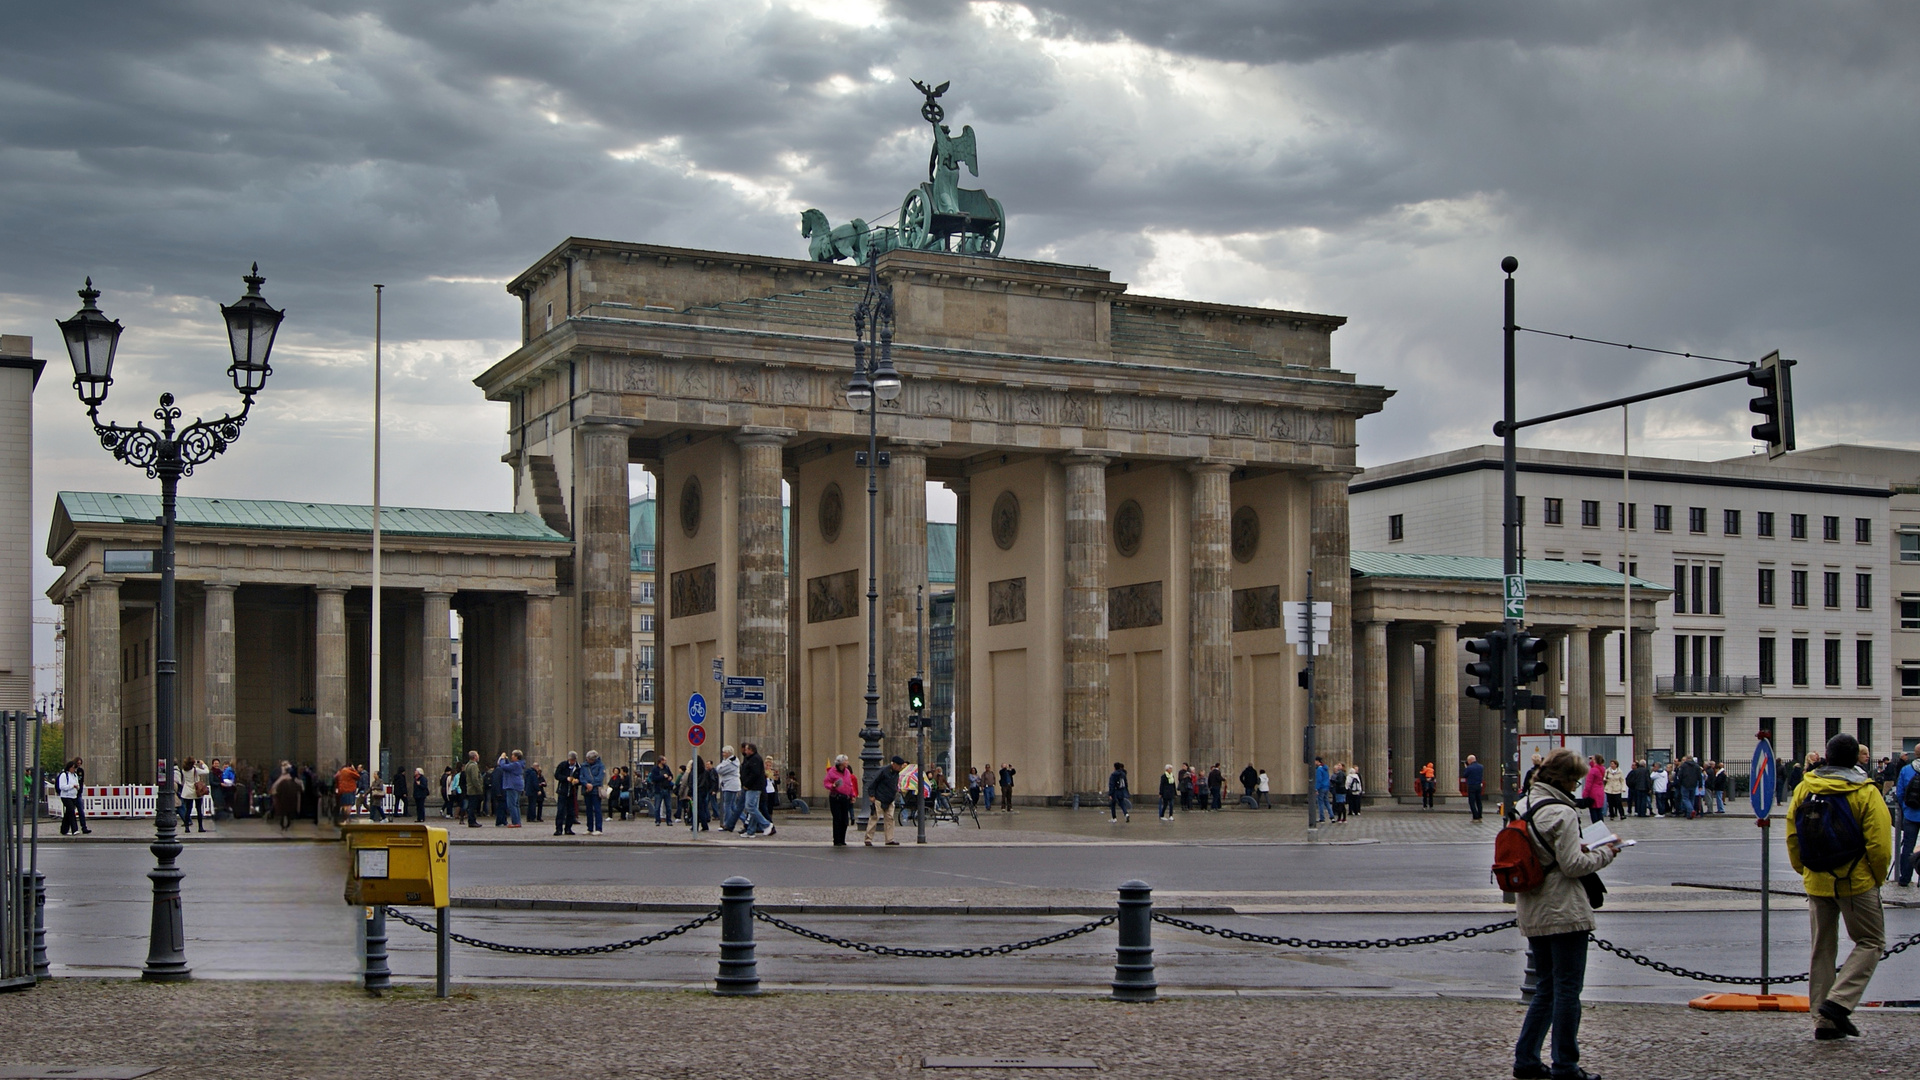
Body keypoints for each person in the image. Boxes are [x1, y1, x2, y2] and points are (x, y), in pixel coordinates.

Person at [1511, 749, 1623, 1080]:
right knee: (1567, 988)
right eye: (1574, 780)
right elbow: (1572, 865)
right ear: (1563, 779)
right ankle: (1565, 1064)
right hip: (1564, 910)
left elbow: (1550, 852)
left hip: (1533, 906)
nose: (1576, 787)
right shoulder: (1562, 811)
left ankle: (1527, 1059)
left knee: (1545, 986)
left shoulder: (1525, 804)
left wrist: (1577, 849)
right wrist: (1606, 853)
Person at [1787, 732, 1891, 1041]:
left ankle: (1823, 1020)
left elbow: (1793, 835)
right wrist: (1876, 877)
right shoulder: (1866, 791)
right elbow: (1880, 845)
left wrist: (1805, 870)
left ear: (1827, 758)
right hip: (1856, 880)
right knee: (1871, 941)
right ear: (1856, 758)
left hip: (1817, 879)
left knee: (1822, 949)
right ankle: (1839, 1001)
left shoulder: (1805, 787)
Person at [739, 743, 775, 837]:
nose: (745, 751)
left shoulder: (755, 759)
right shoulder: (751, 758)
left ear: (751, 750)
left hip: (754, 787)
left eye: (747, 749)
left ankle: (766, 824)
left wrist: (746, 784)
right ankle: (750, 831)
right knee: (752, 808)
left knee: (750, 806)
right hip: (752, 786)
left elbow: (754, 774)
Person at [867, 756, 904, 846]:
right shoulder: (884, 771)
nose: (901, 768)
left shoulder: (896, 773)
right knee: (874, 818)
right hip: (879, 798)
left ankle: (889, 839)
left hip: (890, 799)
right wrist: (871, 795)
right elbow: (874, 782)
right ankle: (868, 839)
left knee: (890, 819)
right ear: (894, 764)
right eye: (899, 766)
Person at [823, 755, 859, 846]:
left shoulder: (847, 771)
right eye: (846, 761)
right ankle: (837, 840)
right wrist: (832, 786)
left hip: (845, 798)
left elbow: (849, 785)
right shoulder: (832, 771)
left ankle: (842, 839)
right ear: (841, 763)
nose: (847, 762)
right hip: (835, 797)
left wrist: (852, 795)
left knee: (845, 819)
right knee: (837, 819)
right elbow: (826, 782)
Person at [717, 747, 744, 832]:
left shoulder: (731, 762)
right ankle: (745, 820)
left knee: (727, 805)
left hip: (730, 785)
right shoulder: (730, 761)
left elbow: (720, 770)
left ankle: (727, 823)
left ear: (728, 753)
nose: (723, 754)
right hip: (731, 785)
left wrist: (720, 768)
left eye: (724, 752)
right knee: (733, 806)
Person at [580, 750, 607, 834]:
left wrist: (591, 785)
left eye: (589, 759)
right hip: (587, 790)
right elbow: (581, 776)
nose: (587, 760)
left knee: (597, 809)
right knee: (588, 810)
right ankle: (589, 828)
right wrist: (586, 784)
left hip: (595, 790)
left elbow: (600, 777)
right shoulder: (584, 766)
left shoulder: (600, 765)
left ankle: (599, 829)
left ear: (593, 759)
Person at [553, 753, 579, 835]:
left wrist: (577, 781)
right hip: (562, 791)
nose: (571, 762)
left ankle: (568, 828)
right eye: (570, 760)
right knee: (561, 810)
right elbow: (557, 775)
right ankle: (558, 829)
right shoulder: (562, 765)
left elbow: (581, 777)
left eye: (573, 760)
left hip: (572, 792)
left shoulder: (578, 767)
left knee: (571, 811)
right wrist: (566, 778)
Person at [57, 760, 85, 835]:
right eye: (73, 768)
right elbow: (62, 787)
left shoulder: (75, 775)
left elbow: (77, 784)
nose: (74, 769)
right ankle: (74, 829)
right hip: (66, 796)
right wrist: (72, 786)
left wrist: (77, 787)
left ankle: (64, 830)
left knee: (68, 813)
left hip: (73, 796)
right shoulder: (64, 775)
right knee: (71, 812)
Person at [499, 751, 526, 828]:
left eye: (513, 755)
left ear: (516, 757)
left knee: (511, 805)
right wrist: (506, 760)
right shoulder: (519, 764)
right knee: (516, 804)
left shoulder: (516, 764)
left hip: (512, 785)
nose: (511, 757)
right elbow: (509, 766)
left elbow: (503, 766)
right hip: (518, 786)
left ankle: (515, 822)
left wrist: (502, 758)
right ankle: (517, 821)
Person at [271, 765, 302, 830]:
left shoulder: (282, 781)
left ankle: (283, 824)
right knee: (288, 813)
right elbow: (299, 789)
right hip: (290, 800)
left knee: (283, 813)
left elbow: (277, 790)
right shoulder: (294, 782)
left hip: (283, 800)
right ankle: (287, 824)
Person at [456, 752, 482, 828]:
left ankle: (472, 820)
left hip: (469, 788)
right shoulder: (473, 766)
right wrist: (479, 788)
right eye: (477, 755)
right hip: (473, 789)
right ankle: (472, 821)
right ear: (474, 757)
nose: (478, 756)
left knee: (471, 805)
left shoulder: (467, 765)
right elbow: (475, 778)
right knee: (472, 806)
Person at [1580, 756, 1606, 825]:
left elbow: (1588, 784)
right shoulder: (1602, 769)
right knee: (1599, 810)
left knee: (1593, 810)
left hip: (1593, 792)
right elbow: (1594, 766)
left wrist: (1584, 795)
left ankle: (1596, 826)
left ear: (1595, 760)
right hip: (1600, 791)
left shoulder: (1592, 771)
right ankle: (1601, 825)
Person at [335, 761, 362, 826]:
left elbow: (336, 777)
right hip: (349, 790)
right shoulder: (349, 771)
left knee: (343, 805)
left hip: (342, 790)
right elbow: (358, 776)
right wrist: (354, 769)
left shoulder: (340, 771)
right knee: (348, 806)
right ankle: (346, 819)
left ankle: (342, 818)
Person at [1463, 755, 1485, 822]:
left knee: (1472, 802)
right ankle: (1480, 816)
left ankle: (1475, 817)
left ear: (1470, 760)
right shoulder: (1481, 767)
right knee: (1479, 801)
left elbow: (1465, 775)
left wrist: (1466, 768)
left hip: (1472, 786)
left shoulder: (1469, 768)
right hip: (1479, 785)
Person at [1311, 757, 1331, 825]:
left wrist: (1316, 788)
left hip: (1321, 787)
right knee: (1327, 802)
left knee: (1320, 803)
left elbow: (1319, 780)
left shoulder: (1319, 769)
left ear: (1317, 761)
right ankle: (1332, 816)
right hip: (1326, 787)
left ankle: (1322, 818)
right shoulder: (1325, 768)